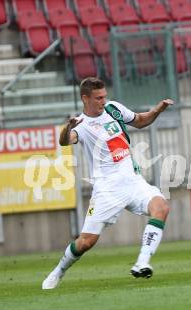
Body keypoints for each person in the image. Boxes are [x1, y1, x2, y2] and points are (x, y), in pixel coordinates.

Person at [42, 77, 174, 289]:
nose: (104, 101)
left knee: (161, 207)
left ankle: (141, 263)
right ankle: (58, 271)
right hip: (107, 189)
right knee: (86, 242)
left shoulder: (114, 109)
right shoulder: (82, 125)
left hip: (132, 180)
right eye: (98, 98)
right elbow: (65, 141)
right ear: (85, 98)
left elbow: (140, 120)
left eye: (104, 96)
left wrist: (157, 110)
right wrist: (68, 127)